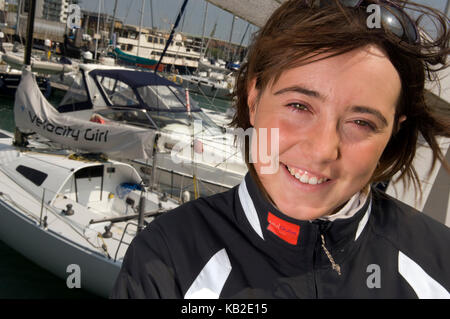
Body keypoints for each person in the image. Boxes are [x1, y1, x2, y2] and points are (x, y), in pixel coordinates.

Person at [111, 0, 450, 299]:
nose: (322, 150)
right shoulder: (168, 259)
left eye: (361, 122)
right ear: (254, 99)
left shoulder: (439, 263)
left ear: (393, 132)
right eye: (299, 106)